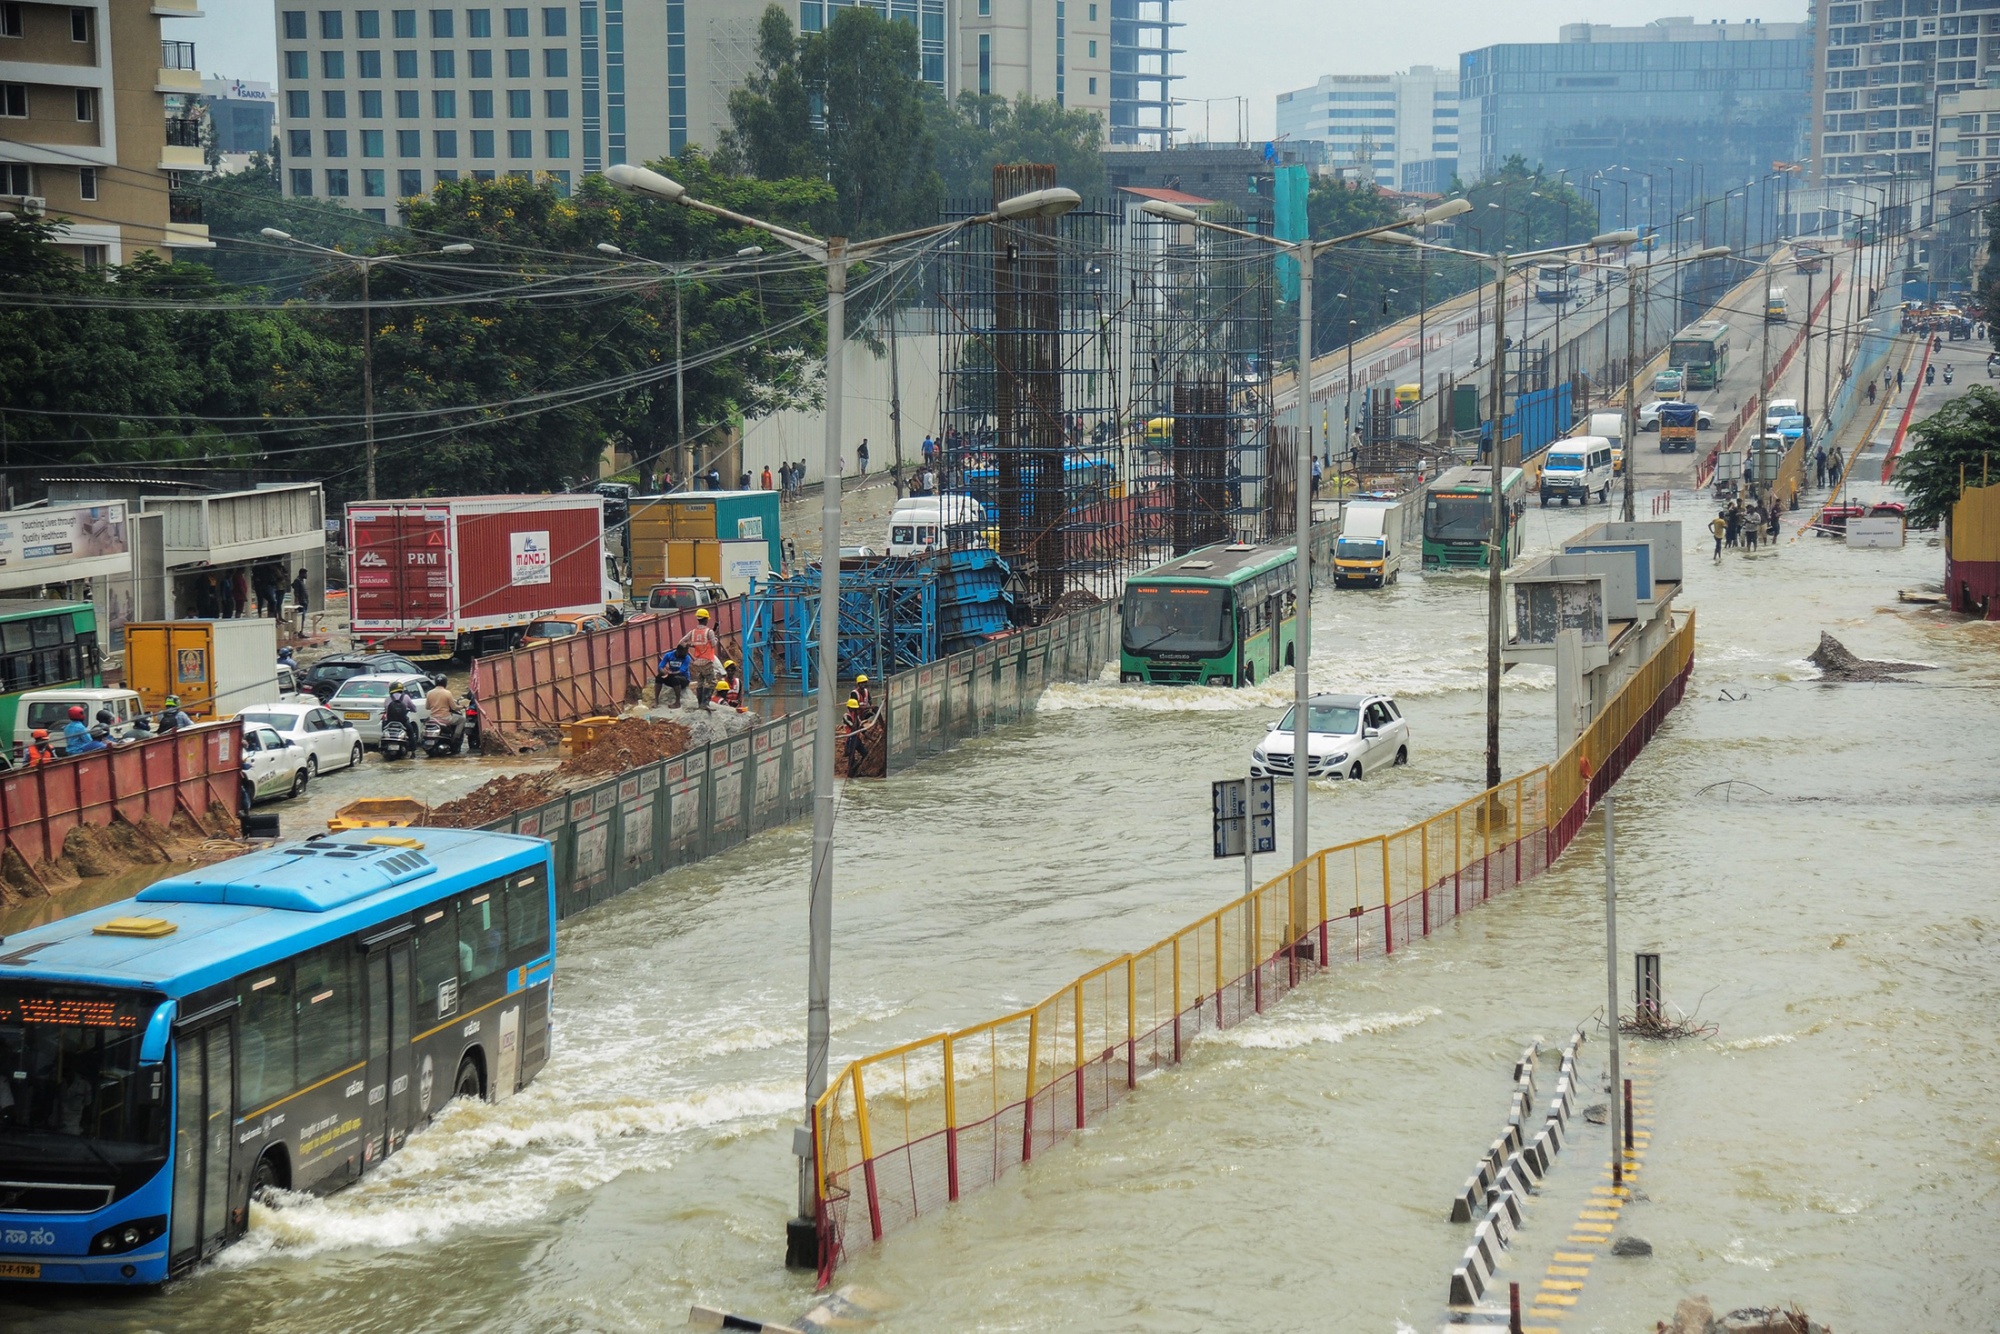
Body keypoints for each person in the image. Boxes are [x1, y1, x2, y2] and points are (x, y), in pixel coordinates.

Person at [677, 606, 722, 709]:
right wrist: (715, 637)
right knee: (712, 682)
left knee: (700, 682)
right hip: (707, 661)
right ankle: (705, 703)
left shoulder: (693, 632)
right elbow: (713, 644)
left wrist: (691, 645)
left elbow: (681, 642)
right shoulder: (709, 632)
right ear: (706, 619)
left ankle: (700, 703)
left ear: (698, 619)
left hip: (697, 662)